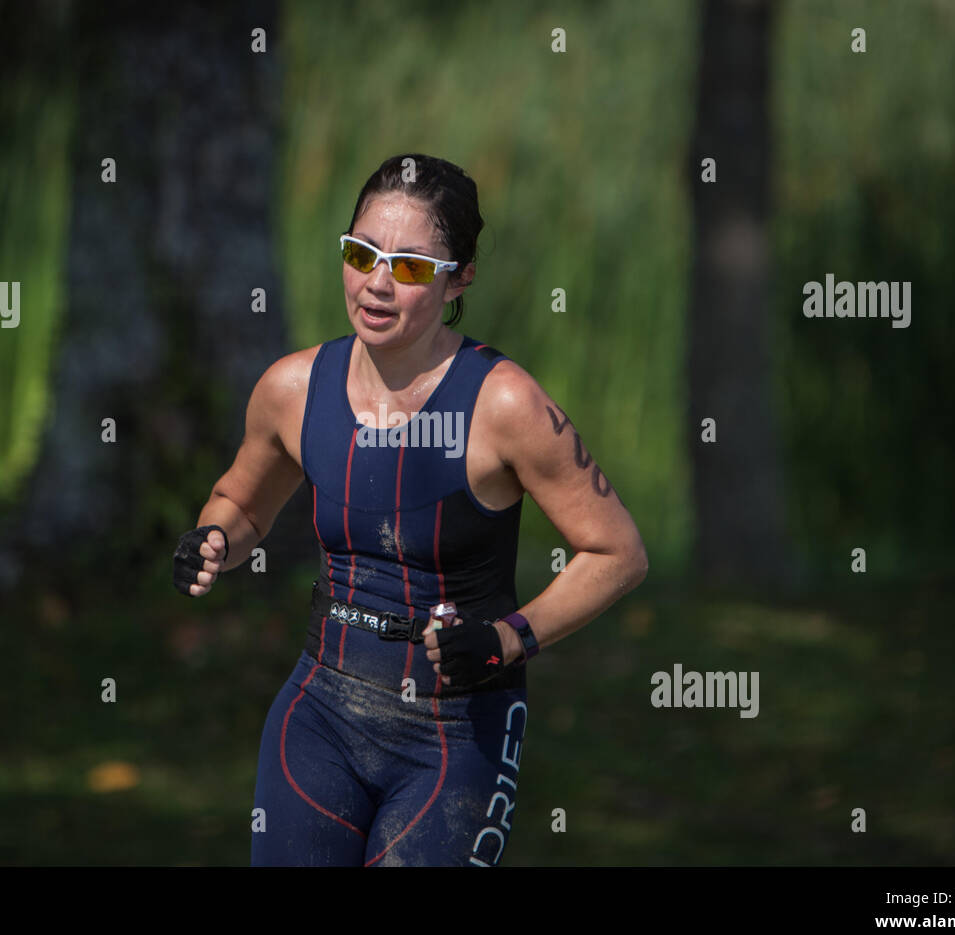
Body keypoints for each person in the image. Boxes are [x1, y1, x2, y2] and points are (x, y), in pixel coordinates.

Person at [174, 154, 648, 866]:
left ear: (460, 277)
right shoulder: (292, 387)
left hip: (455, 734)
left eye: (412, 266)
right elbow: (243, 502)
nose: (377, 283)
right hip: (319, 716)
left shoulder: (506, 404)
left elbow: (617, 553)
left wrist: (510, 636)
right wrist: (213, 538)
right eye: (361, 254)